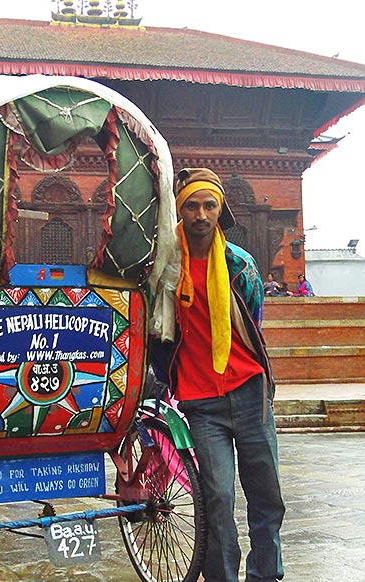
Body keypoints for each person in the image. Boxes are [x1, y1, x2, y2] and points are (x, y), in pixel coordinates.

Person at [151, 168, 285, 582]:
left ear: (220, 210)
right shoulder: (164, 267)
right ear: (180, 211)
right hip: (200, 400)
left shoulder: (239, 266)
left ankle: (265, 573)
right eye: (192, 206)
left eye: (210, 205)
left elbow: (253, 322)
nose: (201, 215)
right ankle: (222, 576)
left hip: (248, 390)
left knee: (266, 494)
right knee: (218, 497)